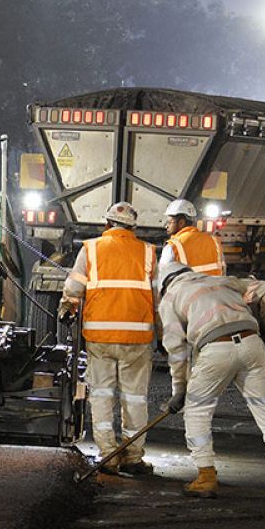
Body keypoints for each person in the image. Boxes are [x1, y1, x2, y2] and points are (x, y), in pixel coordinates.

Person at [157, 257, 265, 502]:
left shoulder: (170, 298)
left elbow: (176, 351)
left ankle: (206, 477)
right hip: (252, 344)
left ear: (163, 283)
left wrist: (179, 391)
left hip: (216, 348)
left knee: (197, 411)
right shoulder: (223, 281)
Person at [61, 201, 157, 476]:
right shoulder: (148, 252)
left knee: (102, 396)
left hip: (100, 337)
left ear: (107, 225)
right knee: (135, 399)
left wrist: (67, 306)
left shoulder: (91, 249)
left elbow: (74, 288)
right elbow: (159, 297)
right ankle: (133, 457)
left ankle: (108, 457)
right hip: (137, 339)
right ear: (133, 228)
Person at [158, 198, 224, 276]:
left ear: (181, 223)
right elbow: (223, 269)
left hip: (185, 288)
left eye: (170, 222)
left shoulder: (173, 246)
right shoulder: (213, 241)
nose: (166, 226)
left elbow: (162, 276)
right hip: (216, 287)